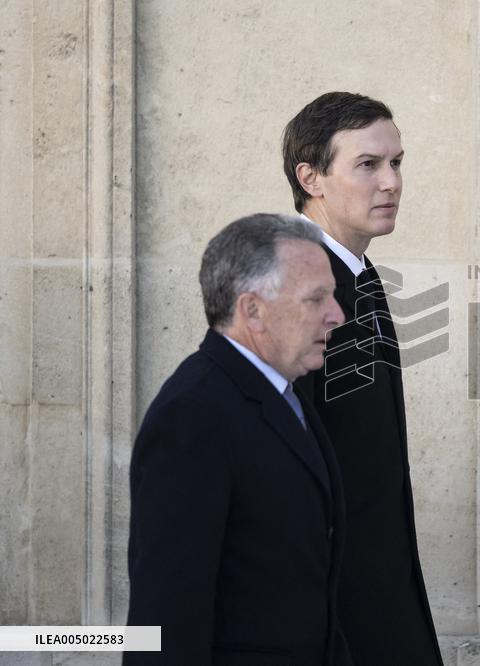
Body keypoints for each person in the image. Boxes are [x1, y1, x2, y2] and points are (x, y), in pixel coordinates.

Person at [125, 214, 351, 665]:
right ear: (252, 311)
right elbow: (166, 615)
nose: (337, 315)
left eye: (334, 296)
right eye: (316, 299)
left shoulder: (285, 391)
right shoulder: (193, 415)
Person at [282, 92, 443, 665]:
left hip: (379, 593)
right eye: (368, 165)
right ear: (312, 178)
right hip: (336, 617)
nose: (392, 182)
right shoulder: (296, 290)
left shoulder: (358, 274)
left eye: (397, 162)